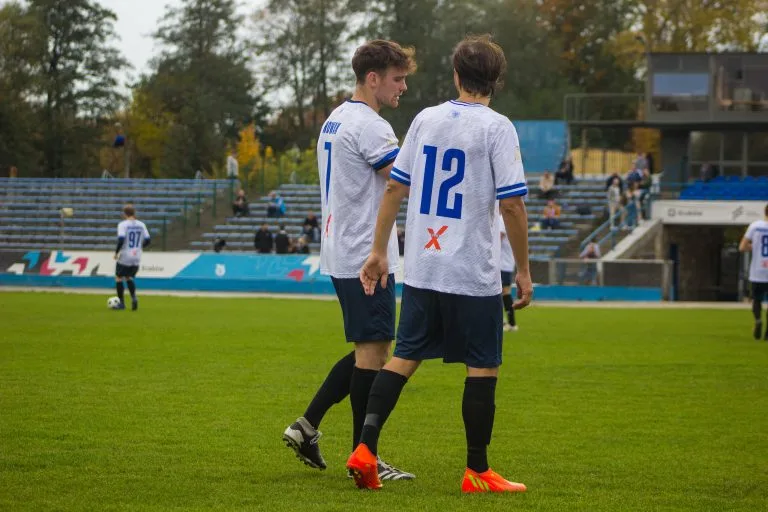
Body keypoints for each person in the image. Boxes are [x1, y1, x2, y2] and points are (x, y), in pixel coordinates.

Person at [348, 34, 533, 493]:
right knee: (483, 366)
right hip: (471, 271)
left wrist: (377, 251)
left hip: (425, 268)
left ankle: (365, 448)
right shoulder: (497, 127)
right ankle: (477, 470)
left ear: (455, 76)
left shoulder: (425, 119)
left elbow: (395, 188)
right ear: (497, 80)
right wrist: (524, 270)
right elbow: (512, 206)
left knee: (405, 357)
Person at [282, 39, 417, 482]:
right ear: (373, 78)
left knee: (370, 349)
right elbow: (402, 186)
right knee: (374, 352)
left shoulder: (335, 119)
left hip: (342, 250)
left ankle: (307, 427)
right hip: (367, 257)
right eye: (397, 80)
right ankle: (365, 457)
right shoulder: (372, 127)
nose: (402, 89)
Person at [739, 204, 768, 340]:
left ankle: (758, 320)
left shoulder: (755, 226)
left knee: (757, 299)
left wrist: (754, 247)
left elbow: (742, 247)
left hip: (757, 271)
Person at [113, 204, 150, 311]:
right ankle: (134, 298)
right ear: (134, 213)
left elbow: (121, 239)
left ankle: (121, 303)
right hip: (137, 255)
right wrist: (139, 247)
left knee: (119, 278)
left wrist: (116, 252)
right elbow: (148, 240)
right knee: (129, 277)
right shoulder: (141, 224)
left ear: (125, 214)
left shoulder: (123, 225)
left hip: (125, 254)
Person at [499, 214, 518, 332]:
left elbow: (498, 238)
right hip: (507, 262)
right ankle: (510, 323)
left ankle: (509, 323)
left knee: (502, 292)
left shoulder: (502, 219)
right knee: (505, 292)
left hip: (501, 263)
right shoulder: (510, 218)